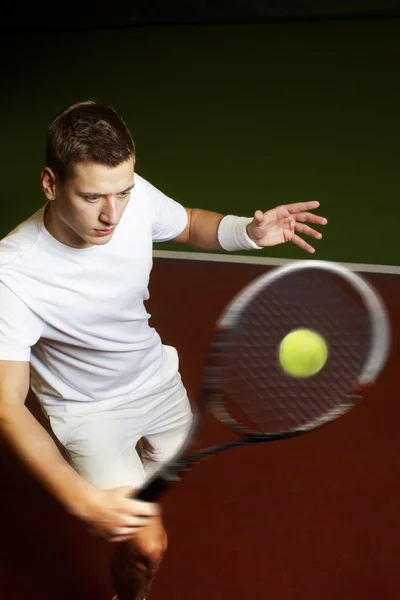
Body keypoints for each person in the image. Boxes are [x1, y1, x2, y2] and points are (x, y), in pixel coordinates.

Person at [0, 99, 328, 600]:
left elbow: (191, 222)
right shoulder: (14, 272)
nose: (112, 214)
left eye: (124, 193)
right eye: (92, 197)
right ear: (50, 183)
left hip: (155, 378)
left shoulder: (131, 197)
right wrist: (81, 498)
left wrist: (251, 232)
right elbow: (6, 404)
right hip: (91, 412)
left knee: (173, 460)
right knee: (148, 548)